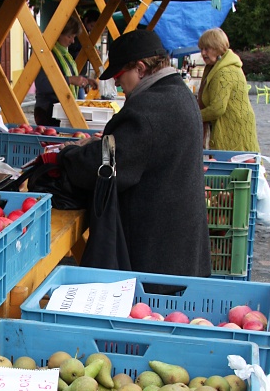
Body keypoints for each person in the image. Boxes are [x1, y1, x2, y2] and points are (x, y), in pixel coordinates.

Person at [56, 29, 212, 277]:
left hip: (159, 255)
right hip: (179, 245)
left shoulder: (149, 109)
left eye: (119, 75)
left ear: (140, 68)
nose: (116, 83)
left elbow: (105, 165)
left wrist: (67, 155)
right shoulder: (179, 93)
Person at [198, 27, 259, 152]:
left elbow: (216, 109)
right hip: (236, 124)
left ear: (218, 47)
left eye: (206, 49)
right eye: (201, 49)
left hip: (234, 128)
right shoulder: (218, 66)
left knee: (231, 167)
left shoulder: (224, 72)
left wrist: (192, 115)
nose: (203, 53)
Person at [34, 16, 93, 126]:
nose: (72, 41)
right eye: (69, 36)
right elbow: (42, 84)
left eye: (74, 37)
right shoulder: (47, 55)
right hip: (48, 111)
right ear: (58, 34)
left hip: (61, 111)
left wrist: (86, 81)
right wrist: (70, 80)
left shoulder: (65, 55)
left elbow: (68, 75)